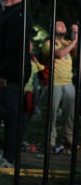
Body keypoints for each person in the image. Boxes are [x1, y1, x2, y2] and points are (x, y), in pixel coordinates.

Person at [0, 0, 32, 168]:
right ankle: (8, 155)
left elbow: (15, 48)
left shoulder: (18, 14)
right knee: (9, 115)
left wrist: (3, 74)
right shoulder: (10, 13)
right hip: (8, 74)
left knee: (11, 116)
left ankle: (9, 159)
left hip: (10, 76)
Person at [42, 21, 78, 151]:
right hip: (54, 83)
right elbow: (59, 54)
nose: (63, 26)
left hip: (68, 83)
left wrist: (76, 34)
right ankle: (50, 143)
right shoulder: (48, 43)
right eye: (59, 24)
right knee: (51, 115)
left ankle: (69, 141)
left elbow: (76, 52)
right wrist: (73, 43)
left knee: (70, 115)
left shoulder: (68, 42)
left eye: (64, 25)